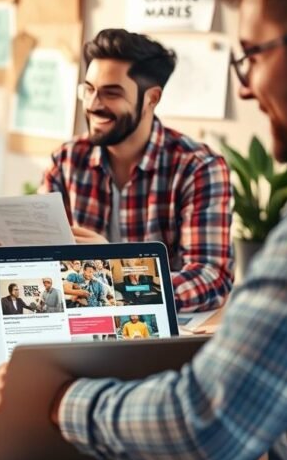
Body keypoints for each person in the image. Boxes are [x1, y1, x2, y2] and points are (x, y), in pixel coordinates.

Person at [0, 0, 287, 460]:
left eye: (251, 56)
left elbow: (208, 420)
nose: (246, 87)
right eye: (88, 90)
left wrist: (52, 396)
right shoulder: (68, 159)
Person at [42, 29, 233, 313]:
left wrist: (112, 267)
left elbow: (210, 276)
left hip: (161, 334)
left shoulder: (198, 168)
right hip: (84, 322)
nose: (93, 105)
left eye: (111, 93)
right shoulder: (66, 160)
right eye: (89, 89)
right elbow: (42, 261)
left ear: (152, 98)